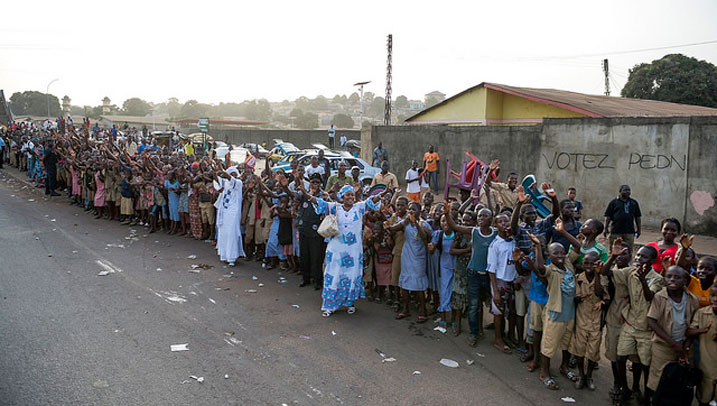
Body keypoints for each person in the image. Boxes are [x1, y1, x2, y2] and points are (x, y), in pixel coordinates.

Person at [300, 182, 388, 317]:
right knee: (333, 275)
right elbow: (318, 203)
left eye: (352, 194)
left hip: (353, 252)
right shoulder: (335, 208)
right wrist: (305, 193)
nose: (351, 197)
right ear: (342, 196)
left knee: (351, 276)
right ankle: (329, 306)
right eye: (348, 195)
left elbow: (372, 201)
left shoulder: (359, 208)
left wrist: (382, 193)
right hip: (336, 250)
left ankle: (350, 303)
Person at [600, 239, 663, 404]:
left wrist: (642, 280)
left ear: (651, 260)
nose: (638, 259)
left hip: (643, 326)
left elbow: (650, 296)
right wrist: (612, 256)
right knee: (619, 356)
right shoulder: (630, 272)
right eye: (638, 255)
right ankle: (623, 387)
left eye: (643, 257)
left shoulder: (655, 278)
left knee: (642, 362)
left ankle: (642, 392)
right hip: (625, 321)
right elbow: (605, 272)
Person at [645, 266, 698, 404]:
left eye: (677, 277)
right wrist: (673, 343)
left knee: (682, 378)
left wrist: (685, 346)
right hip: (663, 345)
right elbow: (651, 321)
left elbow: (694, 325)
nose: (672, 280)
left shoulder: (692, 299)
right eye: (669, 276)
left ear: (685, 280)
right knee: (659, 378)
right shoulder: (659, 297)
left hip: (684, 346)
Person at [389, 201, 432, 323]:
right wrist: (387, 223)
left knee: (418, 284)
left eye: (414, 209)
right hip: (407, 256)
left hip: (419, 258)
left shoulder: (424, 224)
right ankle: (405, 309)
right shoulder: (405, 222)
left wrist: (415, 224)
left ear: (420, 211)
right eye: (410, 209)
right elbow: (392, 229)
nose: (411, 211)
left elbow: (424, 237)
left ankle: (423, 311)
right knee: (404, 282)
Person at [686, 283, 717, 406]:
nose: (715, 299)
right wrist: (702, 330)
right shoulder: (702, 313)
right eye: (713, 295)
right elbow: (689, 331)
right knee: (704, 398)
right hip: (706, 367)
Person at [215, 166, 245, 266]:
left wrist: (223, 171)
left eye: (234, 174)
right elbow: (218, 182)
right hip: (224, 212)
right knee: (224, 234)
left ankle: (232, 258)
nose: (232, 175)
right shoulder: (226, 183)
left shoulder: (238, 183)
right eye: (231, 173)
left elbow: (229, 178)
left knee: (232, 234)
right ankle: (224, 255)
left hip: (233, 212)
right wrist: (214, 172)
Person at [604, 185, 642, 251]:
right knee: (614, 249)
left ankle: (628, 261)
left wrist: (639, 229)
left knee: (628, 250)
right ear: (620, 191)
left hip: (629, 231)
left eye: (629, 190)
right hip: (616, 231)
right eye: (625, 190)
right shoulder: (614, 202)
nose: (627, 192)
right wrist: (605, 228)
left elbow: (637, 217)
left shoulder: (634, 203)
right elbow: (608, 216)